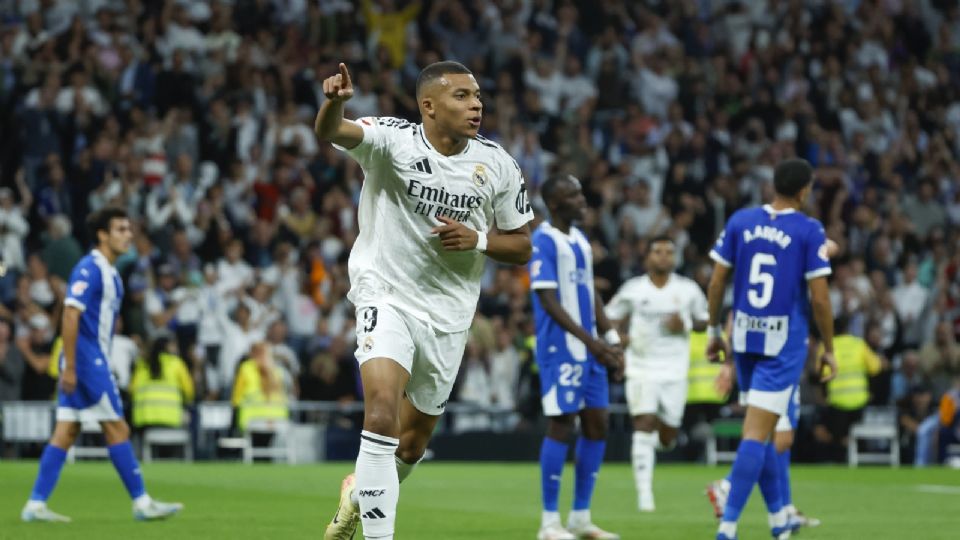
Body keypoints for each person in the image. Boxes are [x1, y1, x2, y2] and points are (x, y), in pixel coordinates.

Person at [315, 61, 533, 540]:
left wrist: (477, 240)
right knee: (380, 413)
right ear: (428, 106)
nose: (476, 105)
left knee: (410, 448)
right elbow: (333, 131)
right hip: (385, 292)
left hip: (449, 314)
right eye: (461, 96)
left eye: (477, 96)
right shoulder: (392, 139)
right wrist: (334, 103)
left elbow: (522, 245)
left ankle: (357, 495)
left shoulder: (497, 164)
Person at [21, 207, 183, 523]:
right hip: (86, 360)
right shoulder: (90, 268)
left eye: (129, 228)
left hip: (87, 358)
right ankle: (142, 502)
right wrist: (70, 367)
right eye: (121, 229)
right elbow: (70, 313)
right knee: (117, 427)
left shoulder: (112, 273)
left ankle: (35, 504)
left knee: (66, 431)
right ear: (102, 235)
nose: (128, 234)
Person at [704, 159, 837, 540]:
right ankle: (727, 528)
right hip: (783, 343)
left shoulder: (741, 221)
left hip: (744, 338)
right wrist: (828, 348)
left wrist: (715, 330)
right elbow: (821, 299)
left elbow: (716, 284)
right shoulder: (809, 229)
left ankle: (779, 520)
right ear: (804, 191)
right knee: (758, 434)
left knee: (763, 429)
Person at [529, 175, 622, 540]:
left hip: (591, 349)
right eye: (573, 195)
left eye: (581, 193)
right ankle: (549, 522)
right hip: (561, 349)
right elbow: (548, 300)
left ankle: (580, 516)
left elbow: (590, 293)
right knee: (562, 424)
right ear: (555, 203)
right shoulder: (544, 240)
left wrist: (611, 338)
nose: (582, 200)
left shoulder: (581, 241)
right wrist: (591, 342)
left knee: (597, 423)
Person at [604, 235, 707, 512]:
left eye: (668, 252)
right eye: (658, 252)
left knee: (667, 436)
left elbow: (704, 320)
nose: (663, 256)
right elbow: (609, 316)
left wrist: (684, 322)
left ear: (675, 258)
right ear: (647, 257)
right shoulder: (633, 289)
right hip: (641, 367)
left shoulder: (688, 290)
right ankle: (644, 495)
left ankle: (664, 441)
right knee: (644, 422)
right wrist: (619, 338)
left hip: (675, 370)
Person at [129, 335, 194, 431]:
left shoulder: (142, 364)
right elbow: (189, 391)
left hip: (144, 418)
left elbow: (132, 390)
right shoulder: (176, 363)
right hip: (170, 418)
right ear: (167, 346)